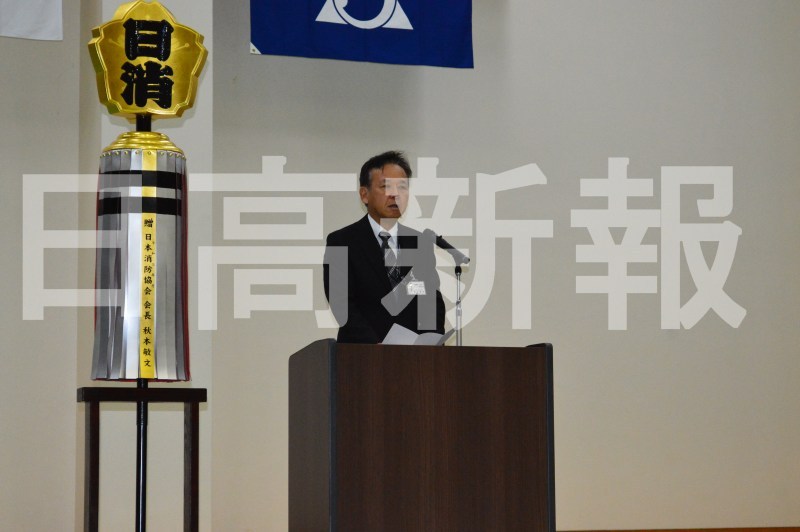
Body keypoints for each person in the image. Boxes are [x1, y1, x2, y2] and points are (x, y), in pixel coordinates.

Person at [323, 151, 445, 343]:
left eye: (402, 187)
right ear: (364, 195)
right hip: (361, 354)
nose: (395, 194)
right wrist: (377, 347)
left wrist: (429, 344)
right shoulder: (341, 241)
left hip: (415, 356)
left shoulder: (419, 243)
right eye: (385, 186)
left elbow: (430, 301)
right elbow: (342, 306)